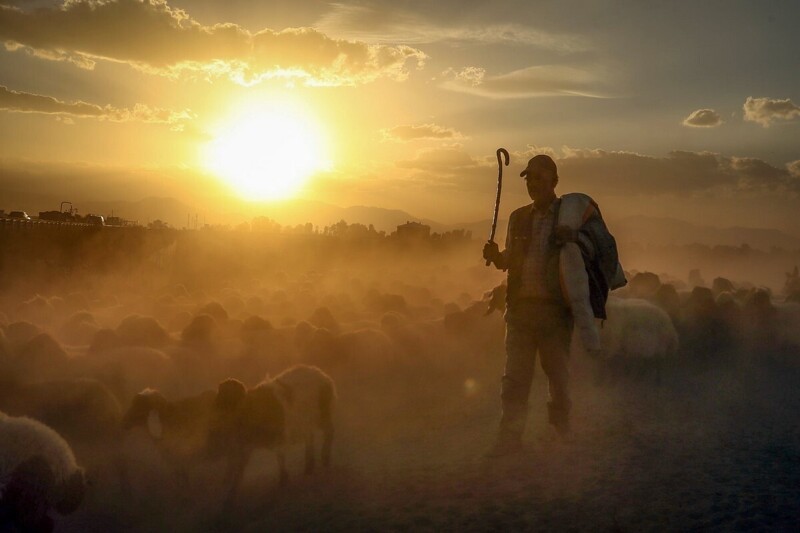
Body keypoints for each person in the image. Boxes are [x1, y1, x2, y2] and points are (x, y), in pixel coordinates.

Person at [482, 154, 593, 457]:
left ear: (554, 182)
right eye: (529, 178)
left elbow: (586, 253)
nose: (532, 184)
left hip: (555, 313)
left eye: (539, 178)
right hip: (520, 310)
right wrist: (496, 256)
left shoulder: (568, 218)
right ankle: (510, 440)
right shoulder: (518, 218)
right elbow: (510, 261)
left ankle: (560, 433)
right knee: (515, 379)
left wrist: (575, 239)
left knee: (557, 376)